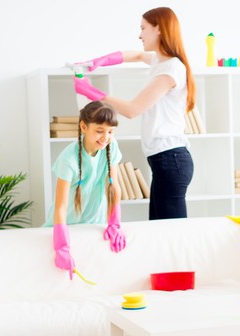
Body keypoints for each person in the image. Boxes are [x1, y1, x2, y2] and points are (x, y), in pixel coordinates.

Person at [73, 6, 195, 220]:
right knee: (159, 228)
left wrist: (94, 93)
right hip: (163, 160)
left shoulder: (171, 68)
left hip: (170, 159)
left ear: (159, 29)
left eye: (143, 28)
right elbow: (137, 55)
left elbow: (133, 109)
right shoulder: (161, 61)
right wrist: (99, 61)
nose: (139, 35)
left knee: (172, 233)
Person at [44, 101, 126, 279]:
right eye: (99, 131)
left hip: (93, 224)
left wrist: (115, 223)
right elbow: (60, 206)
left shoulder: (111, 146)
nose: (105, 137)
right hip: (65, 228)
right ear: (83, 127)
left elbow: (114, 186)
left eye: (110, 131)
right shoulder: (69, 159)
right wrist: (61, 247)